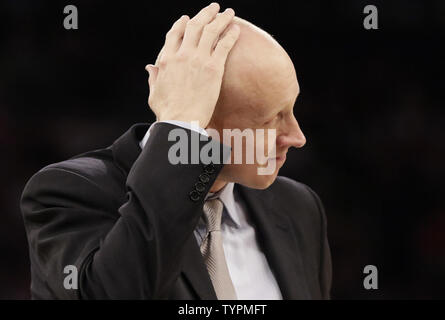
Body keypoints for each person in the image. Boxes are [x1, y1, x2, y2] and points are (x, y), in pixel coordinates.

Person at [20, 3, 332, 299]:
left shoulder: (299, 206)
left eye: (291, 109)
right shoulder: (66, 191)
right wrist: (179, 127)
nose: (297, 137)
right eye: (268, 120)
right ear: (200, 120)